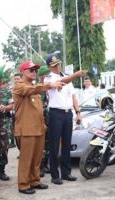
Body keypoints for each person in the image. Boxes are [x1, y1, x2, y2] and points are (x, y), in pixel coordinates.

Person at [13, 60, 66, 194]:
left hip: (38, 128)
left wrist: (43, 125)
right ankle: (24, 185)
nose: (34, 73)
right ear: (23, 72)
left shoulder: (34, 87)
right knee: (26, 159)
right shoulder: (19, 85)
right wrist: (49, 85)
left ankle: (35, 180)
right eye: (31, 70)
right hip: (26, 129)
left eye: (35, 71)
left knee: (37, 158)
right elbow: (31, 90)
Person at [44, 54, 86, 185]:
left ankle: (66, 173)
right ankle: (55, 175)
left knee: (67, 144)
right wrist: (75, 75)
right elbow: (63, 82)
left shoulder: (67, 77)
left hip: (68, 113)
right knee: (54, 145)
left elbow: (73, 96)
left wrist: (78, 112)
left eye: (58, 64)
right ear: (49, 67)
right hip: (56, 113)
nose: (57, 66)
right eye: (54, 65)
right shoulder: (48, 78)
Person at [37, 66, 51, 177]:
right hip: (41, 119)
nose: (48, 77)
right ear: (41, 76)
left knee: (48, 143)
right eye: (46, 75)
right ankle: (40, 167)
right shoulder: (37, 88)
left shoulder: (50, 87)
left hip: (50, 117)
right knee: (40, 144)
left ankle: (46, 164)